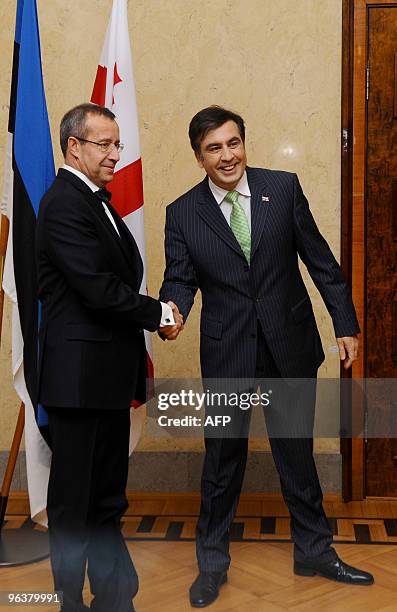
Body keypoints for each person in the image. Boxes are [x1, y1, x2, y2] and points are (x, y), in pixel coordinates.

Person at [159, 105, 374, 608]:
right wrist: (174, 312)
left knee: (296, 456)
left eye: (233, 143)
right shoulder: (183, 212)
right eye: (214, 148)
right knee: (222, 462)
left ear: (244, 143)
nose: (227, 155)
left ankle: (315, 552)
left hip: (289, 346)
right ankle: (211, 567)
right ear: (199, 158)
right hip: (227, 351)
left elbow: (323, 262)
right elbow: (179, 277)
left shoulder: (283, 190)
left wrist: (345, 325)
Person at [36, 102, 182, 612]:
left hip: (104, 378)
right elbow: (97, 290)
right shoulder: (63, 203)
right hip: (79, 381)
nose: (116, 154)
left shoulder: (96, 200)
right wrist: (159, 314)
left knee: (105, 498)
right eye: (106, 144)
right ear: (74, 146)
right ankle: (70, 601)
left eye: (118, 144)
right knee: (76, 503)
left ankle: (114, 594)